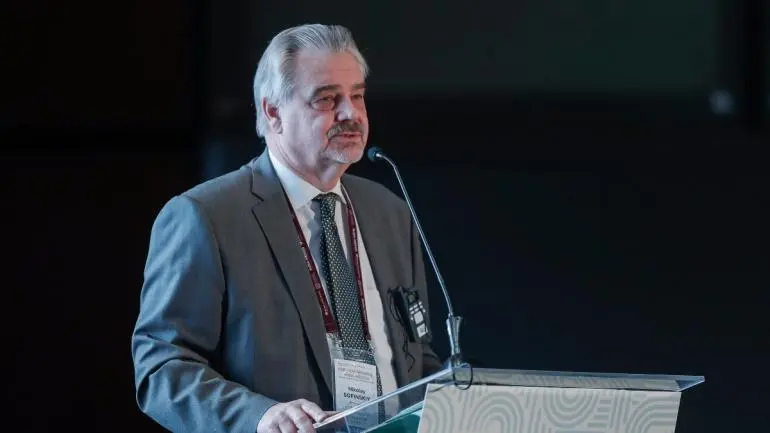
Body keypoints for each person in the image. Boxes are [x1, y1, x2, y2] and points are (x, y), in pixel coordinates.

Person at [131, 23, 443, 433]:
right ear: (273, 112)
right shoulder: (206, 216)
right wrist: (259, 416)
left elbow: (418, 358)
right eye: (327, 99)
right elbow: (162, 369)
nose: (350, 114)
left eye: (357, 96)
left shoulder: (390, 212)